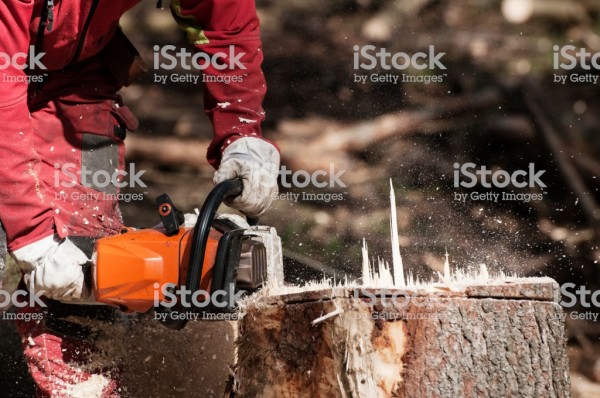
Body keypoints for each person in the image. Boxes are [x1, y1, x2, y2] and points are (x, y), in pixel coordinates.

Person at [0, 0, 279, 396]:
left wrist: (241, 128)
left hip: (74, 80)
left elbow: (223, 21)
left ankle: (87, 383)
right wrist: (31, 234)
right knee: (32, 243)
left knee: (86, 258)